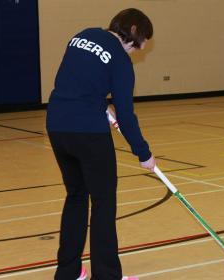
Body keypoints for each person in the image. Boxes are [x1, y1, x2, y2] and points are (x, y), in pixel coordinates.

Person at [46, 8, 155, 280]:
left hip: (57, 126)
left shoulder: (82, 35)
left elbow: (73, 81)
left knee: (76, 197)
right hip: (89, 133)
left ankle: (68, 272)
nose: (139, 50)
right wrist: (143, 153)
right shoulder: (120, 60)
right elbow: (127, 115)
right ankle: (107, 276)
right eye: (141, 43)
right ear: (132, 30)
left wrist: (98, 102)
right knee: (104, 203)